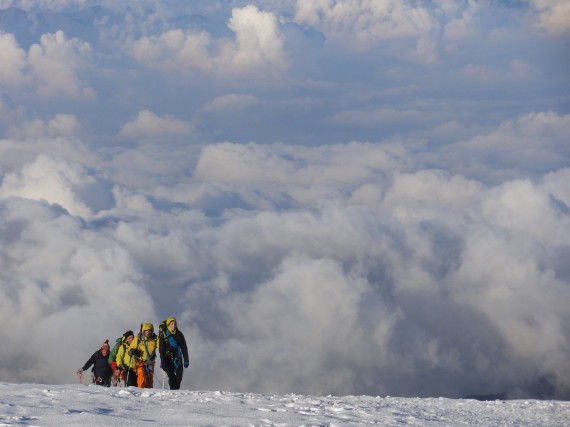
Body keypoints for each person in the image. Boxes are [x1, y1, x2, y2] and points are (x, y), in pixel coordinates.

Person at [158, 317, 189, 390]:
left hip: (177, 358)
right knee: (171, 376)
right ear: (168, 325)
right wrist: (163, 361)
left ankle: (175, 391)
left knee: (179, 376)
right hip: (167, 359)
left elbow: (184, 348)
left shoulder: (179, 334)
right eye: (172, 324)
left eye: (175, 324)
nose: (173, 325)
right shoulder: (164, 335)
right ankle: (173, 392)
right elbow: (161, 350)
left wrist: (186, 359)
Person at [128, 323, 158, 388]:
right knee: (141, 373)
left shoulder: (155, 339)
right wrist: (131, 351)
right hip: (140, 361)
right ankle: (140, 389)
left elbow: (161, 347)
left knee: (149, 378)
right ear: (143, 331)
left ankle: (148, 392)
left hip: (150, 362)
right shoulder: (138, 338)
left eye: (150, 330)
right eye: (146, 330)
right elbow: (131, 347)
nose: (148, 332)